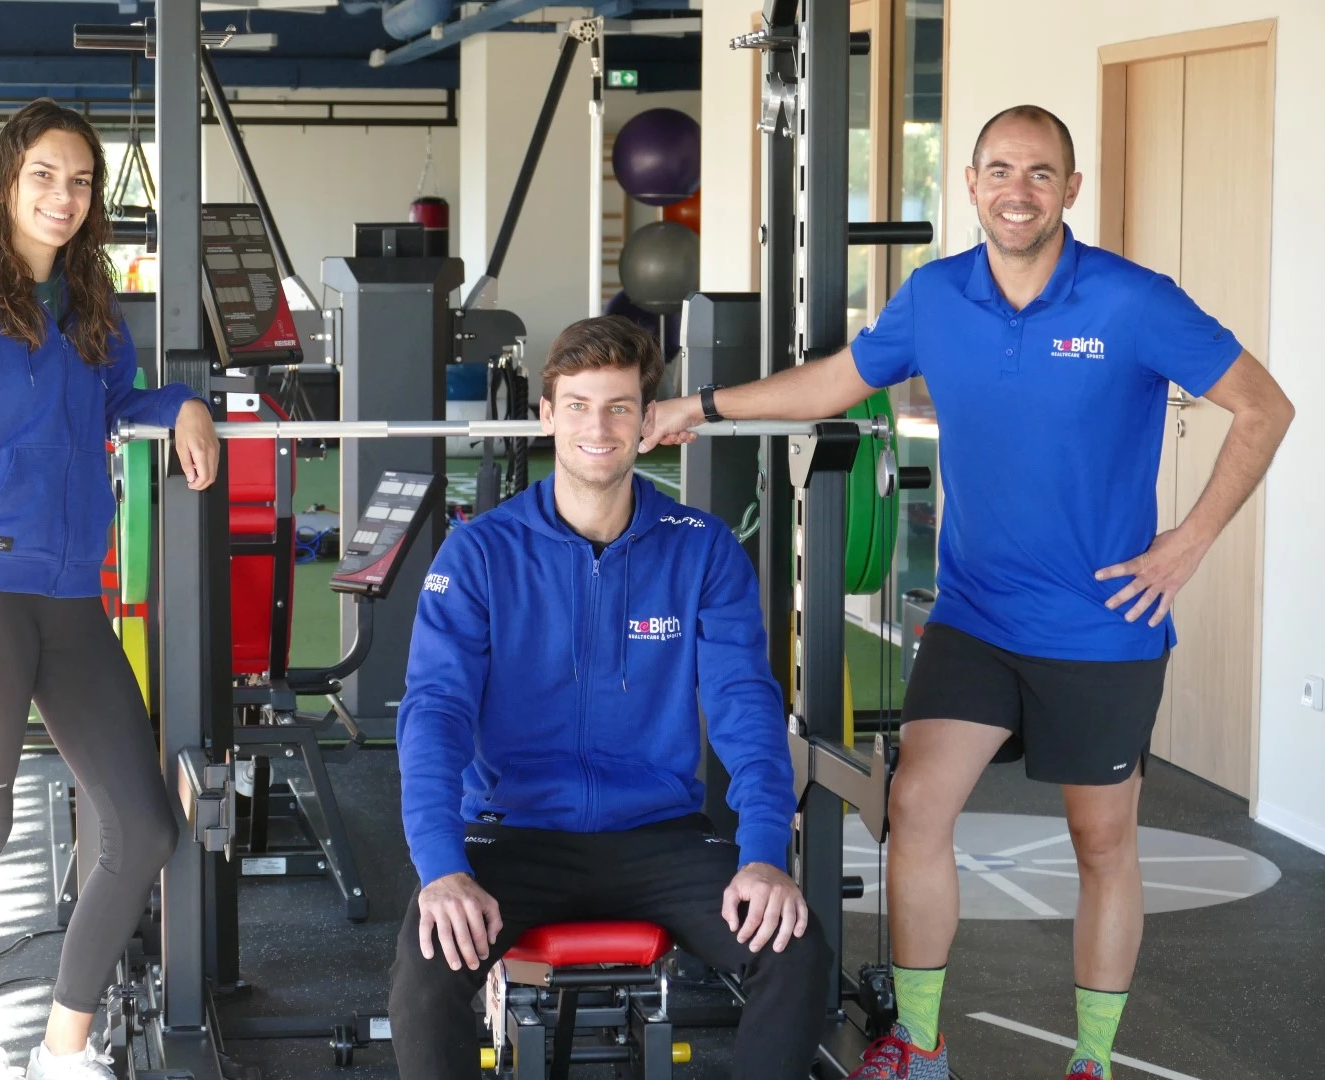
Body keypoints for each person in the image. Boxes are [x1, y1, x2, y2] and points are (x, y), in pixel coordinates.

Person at [640, 104, 1295, 1080]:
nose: (1016, 190)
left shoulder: (1132, 301)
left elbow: (1264, 405)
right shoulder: (937, 297)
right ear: (972, 185)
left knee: (1101, 842)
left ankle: (1094, 1061)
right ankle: (921, 1040)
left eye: (1039, 173)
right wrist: (698, 406)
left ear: (1071, 189)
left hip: (1102, 623)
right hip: (976, 615)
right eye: (998, 170)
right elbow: (831, 385)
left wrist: (1189, 543)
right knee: (918, 805)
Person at [389, 315, 833, 1079]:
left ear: (647, 420)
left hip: (658, 833)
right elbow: (435, 715)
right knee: (425, 975)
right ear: (546, 415)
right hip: (513, 831)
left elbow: (746, 709)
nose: (599, 426)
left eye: (620, 406)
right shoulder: (479, 553)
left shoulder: (702, 548)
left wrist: (764, 854)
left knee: (794, 952)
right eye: (579, 405)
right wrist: (441, 868)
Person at [0, 99, 220, 1080]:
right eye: (44, 174)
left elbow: (120, 399)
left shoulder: (89, 298)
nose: (63, 196)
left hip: (74, 601)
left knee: (146, 823)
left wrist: (187, 404)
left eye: (79, 180)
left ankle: (65, 1044)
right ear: (7, 179)